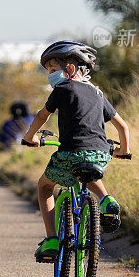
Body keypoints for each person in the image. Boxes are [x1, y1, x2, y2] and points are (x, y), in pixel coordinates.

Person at [22, 40, 131, 262]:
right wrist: (124, 150)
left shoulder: (62, 89)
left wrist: (30, 136)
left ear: (70, 69)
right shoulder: (98, 94)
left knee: (44, 186)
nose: (50, 75)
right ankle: (106, 200)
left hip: (70, 152)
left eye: (53, 70)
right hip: (101, 153)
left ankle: (51, 239)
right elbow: (123, 126)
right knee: (87, 169)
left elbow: (43, 116)